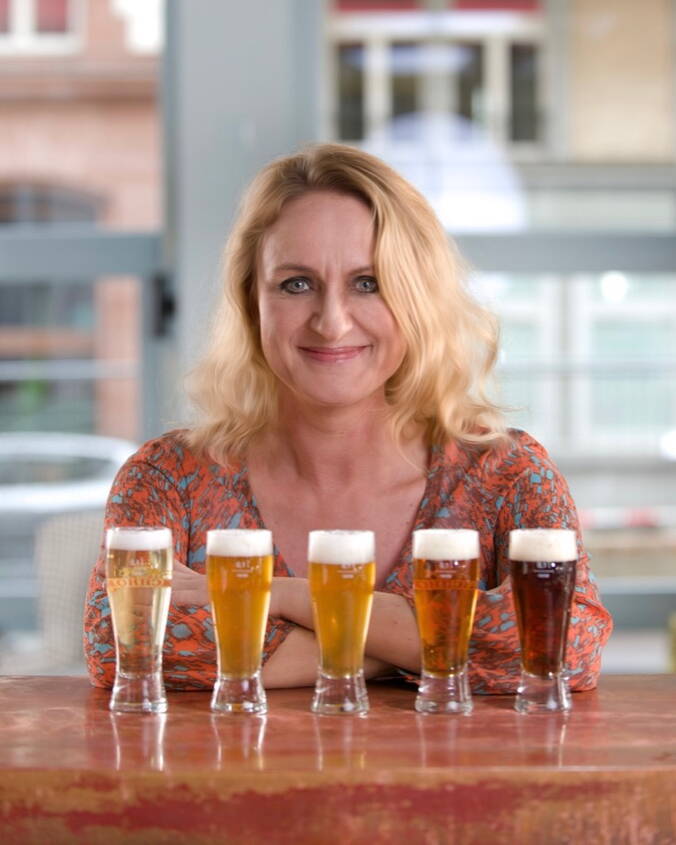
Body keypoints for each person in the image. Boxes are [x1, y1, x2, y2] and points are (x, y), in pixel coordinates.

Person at [83, 143, 612, 692]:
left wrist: (287, 596)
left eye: (368, 283)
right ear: (251, 302)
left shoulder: (507, 473)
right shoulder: (169, 477)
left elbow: (567, 646)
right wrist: (426, 642)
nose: (332, 323)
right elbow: (121, 649)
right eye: (296, 284)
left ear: (417, 298)